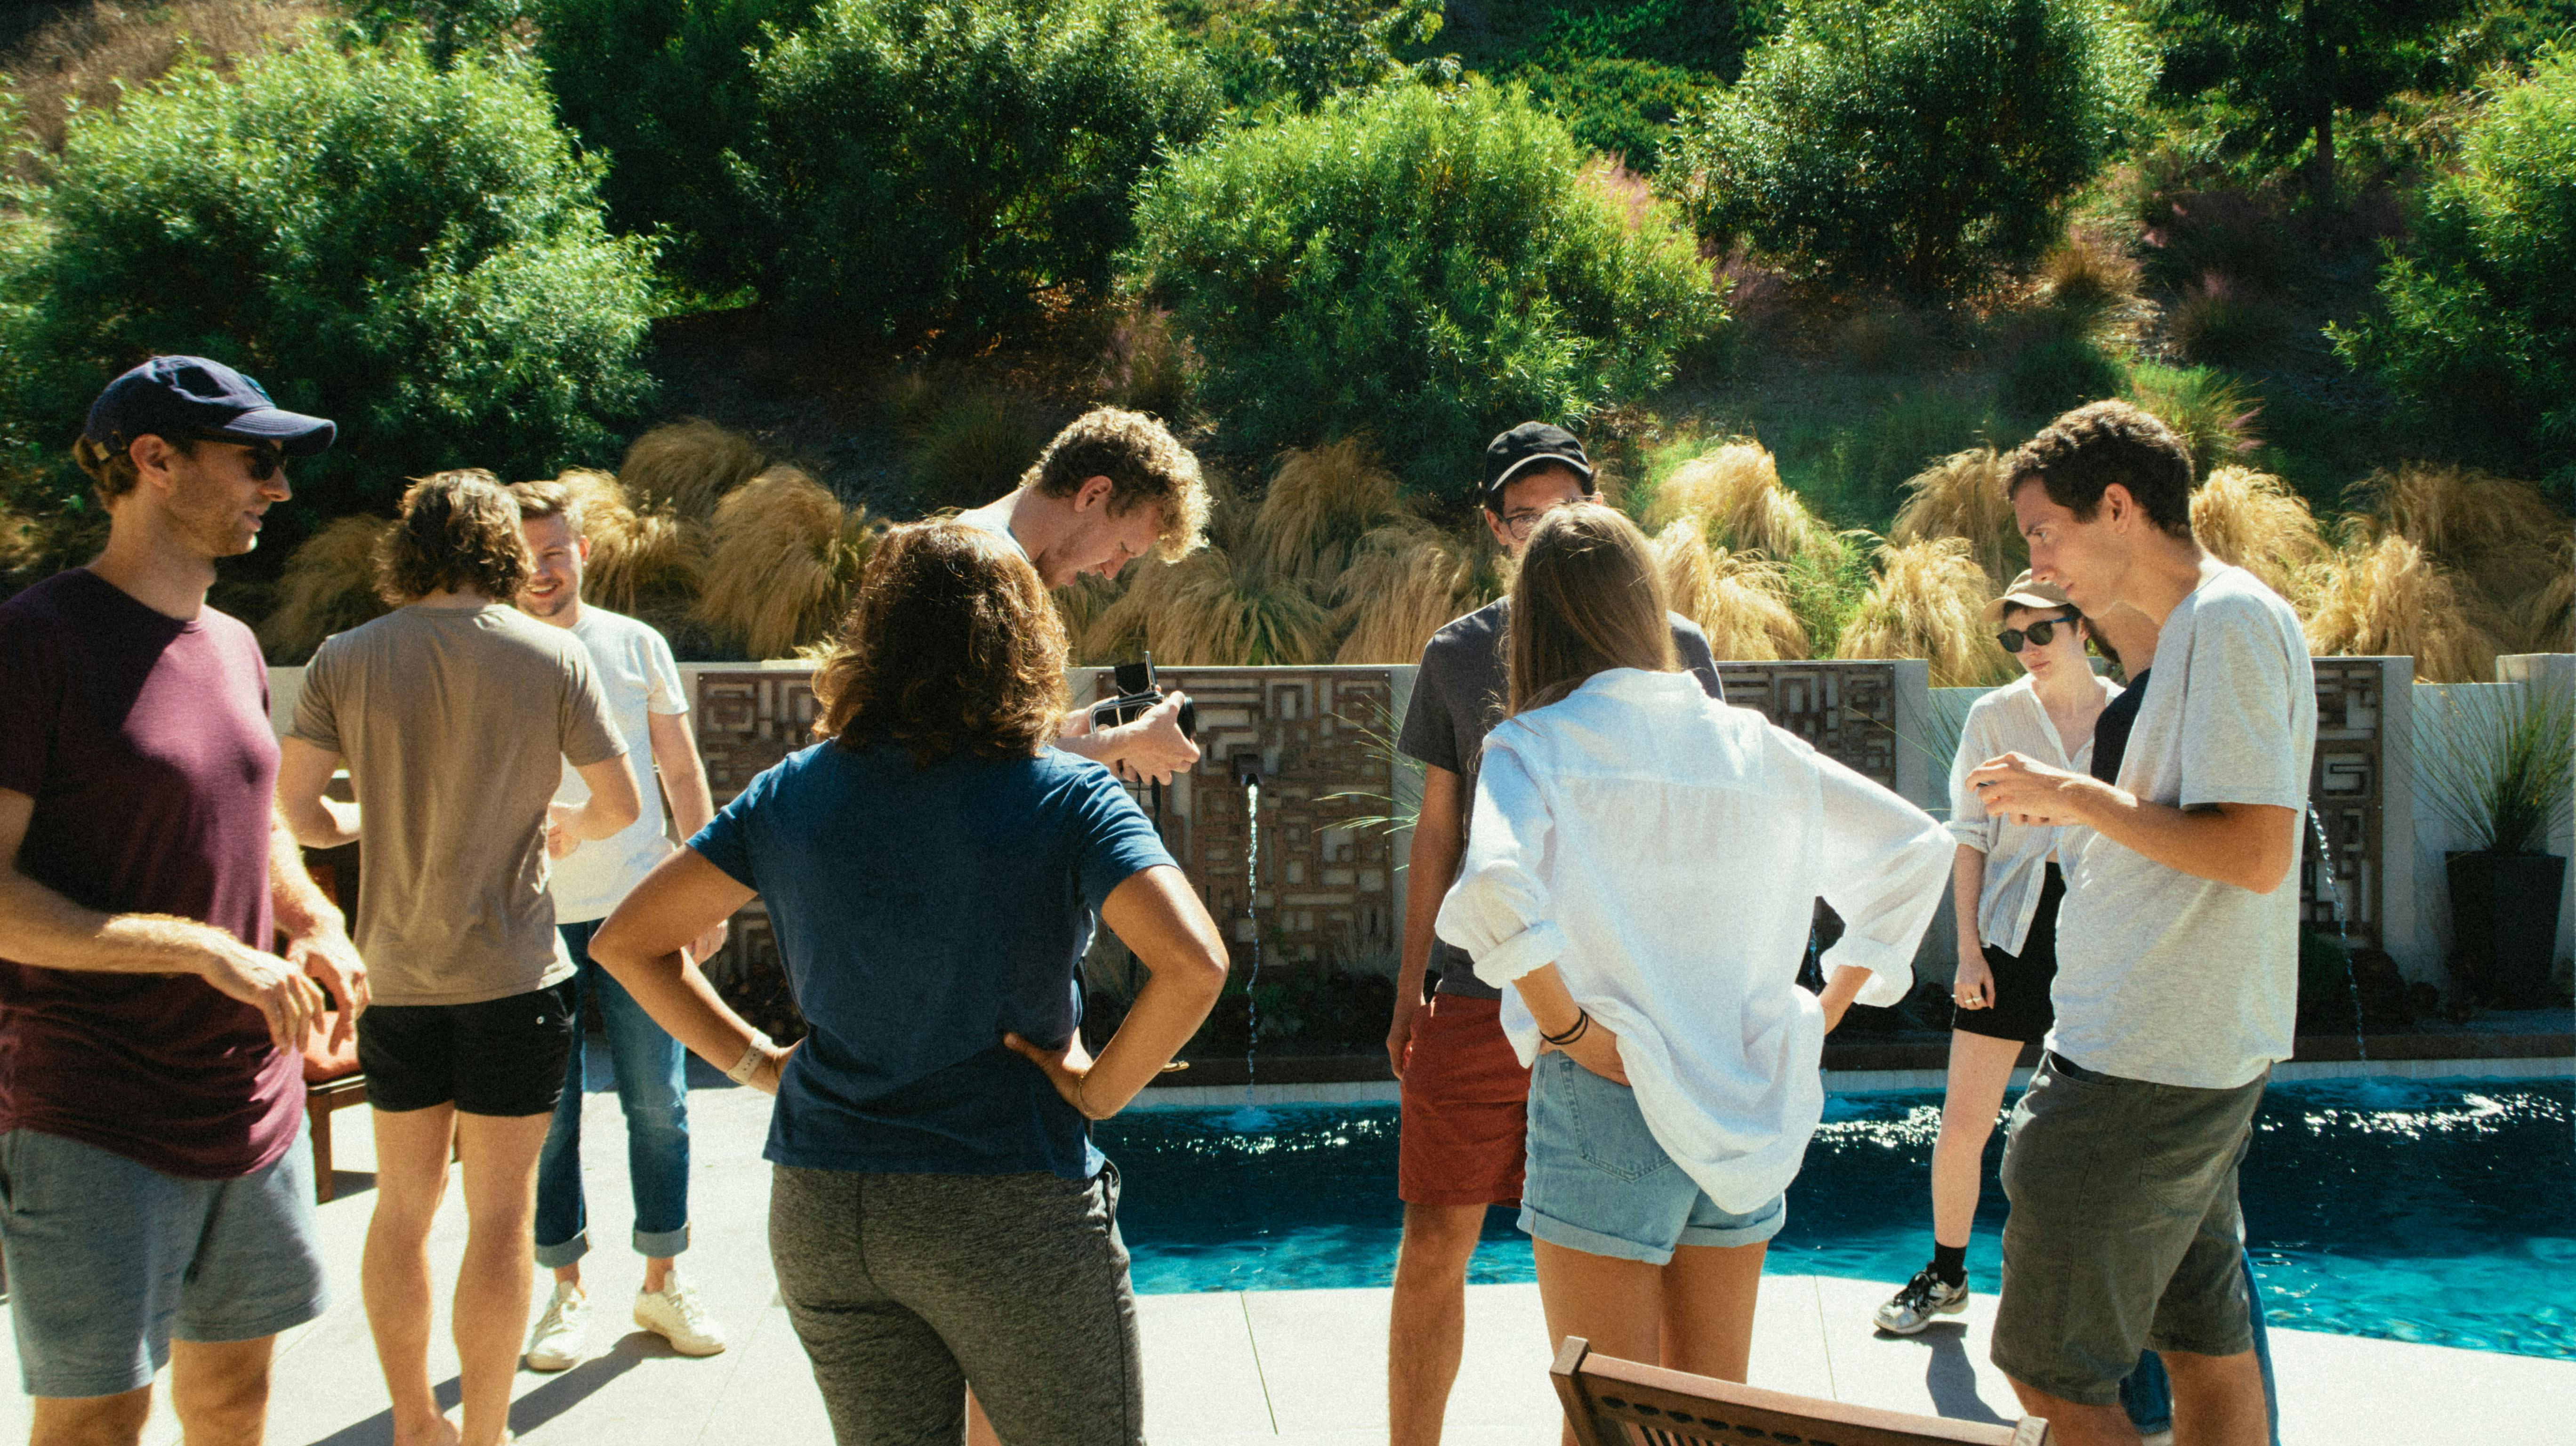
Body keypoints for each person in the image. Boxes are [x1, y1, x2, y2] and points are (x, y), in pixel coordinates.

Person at [587, 519, 1229, 1445]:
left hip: (827, 1206)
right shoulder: (1067, 795)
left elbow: (628, 943)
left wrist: (763, 1064)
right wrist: (1096, 1088)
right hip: (1008, 1198)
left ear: (875, 640)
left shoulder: (794, 790)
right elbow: (1194, 963)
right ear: (1025, 637)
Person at [1435, 503, 1953, 1429]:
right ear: (1644, 607)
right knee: (1713, 1421)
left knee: (1606, 1420)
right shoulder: (1753, 746)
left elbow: (1495, 886)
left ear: (1538, 623)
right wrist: (1824, 1007)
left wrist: (1566, 1026)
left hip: (1607, 1088)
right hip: (1745, 1093)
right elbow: (1916, 850)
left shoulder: (1534, 746)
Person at [0, 356, 364, 1446]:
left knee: (232, 1397)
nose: (280, 487)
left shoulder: (235, 644)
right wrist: (208, 951)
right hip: (92, 1110)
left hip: (250, 1101)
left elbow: (251, 824)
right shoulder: (36, 641)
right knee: (99, 1416)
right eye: (257, 459)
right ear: (155, 460)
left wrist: (315, 921)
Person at [1970, 401, 2314, 1446]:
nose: (2036, 559)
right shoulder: (2196, 634)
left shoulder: (2230, 621)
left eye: (2043, 531)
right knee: (2204, 1353)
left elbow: (2254, 853)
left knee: (2050, 1377)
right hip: (2175, 1060)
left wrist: (2070, 799)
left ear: (2116, 506)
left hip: (2142, 1073)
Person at [1384, 423, 1733, 1446]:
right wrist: (1411, 988)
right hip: (1484, 990)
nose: (1544, 533)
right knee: (1436, 1233)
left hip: (1625, 1000)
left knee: (1630, 1251)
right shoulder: (1457, 652)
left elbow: (1711, 820)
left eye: (1564, 512)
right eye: (1524, 515)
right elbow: (1439, 831)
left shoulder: (1679, 648)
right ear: (1496, 527)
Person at [278, 470, 641, 1446]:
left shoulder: (343, 658)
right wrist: (560, 826)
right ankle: (484, 1432)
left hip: (395, 983)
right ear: (503, 551)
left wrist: (376, 816)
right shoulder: (551, 657)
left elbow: (300, 814)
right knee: (499, 1217)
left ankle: (411, 1420)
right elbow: (621, 808)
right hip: (516, 979)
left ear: (409, 546)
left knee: (401, 1211)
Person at [506, 479, 731, 1369]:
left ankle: (661, 1283)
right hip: (530, 920)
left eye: (555, 553)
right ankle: (564, 1295)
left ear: (584, 553)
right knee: (550, 1118)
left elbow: (681, 769)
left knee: (660, 1106)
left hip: (641, 914)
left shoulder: (636, 645)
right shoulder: (495, 649)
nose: (542, 572)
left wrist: (704, 890)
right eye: (525, 559)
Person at [1873, 572, 2114, 1334]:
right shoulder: (1993, 714)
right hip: (2013, 931)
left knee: (2095, 1128)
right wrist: (1968, 952)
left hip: (2106, 928)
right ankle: (1946, 1273)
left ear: (2082, 625)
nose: (2026, 649)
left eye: (2039, 631)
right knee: (1964, 1119)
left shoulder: (2128, 713)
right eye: (2013, 637)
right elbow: (1969, 835)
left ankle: (2090, 1291)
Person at [956, 405, 1211, 784]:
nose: (1111, 572)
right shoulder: (980, 566)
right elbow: (982, 762)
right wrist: (1129, 740)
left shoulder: (975, 540)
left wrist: (1079, 727)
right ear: (1093, 494)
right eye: (1123, 547)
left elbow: (981, 735)